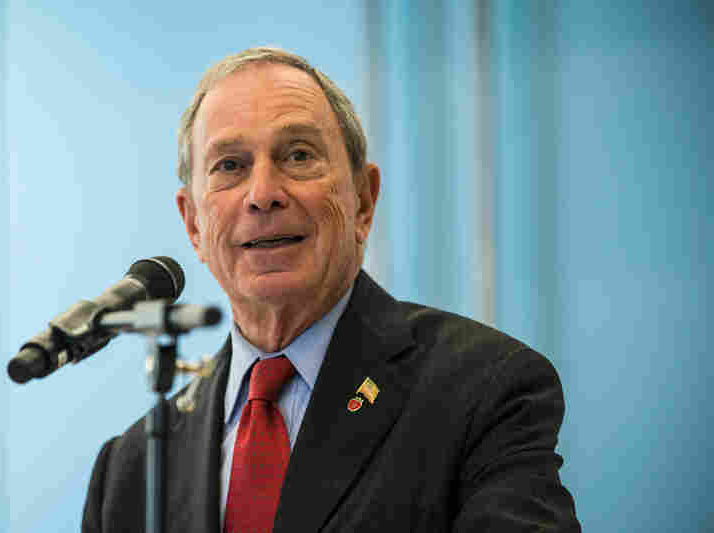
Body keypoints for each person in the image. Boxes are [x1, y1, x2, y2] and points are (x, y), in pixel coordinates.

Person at [82, 47, 580, 532]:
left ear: (363, 201)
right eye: (230, 166)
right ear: (193, 225)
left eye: (298, 156)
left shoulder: (485, 389)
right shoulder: (130, 472)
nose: (262, 195)